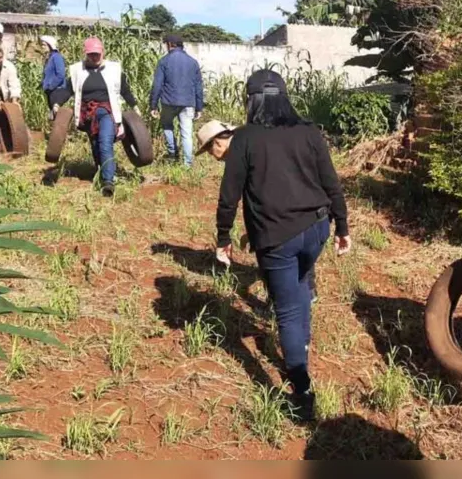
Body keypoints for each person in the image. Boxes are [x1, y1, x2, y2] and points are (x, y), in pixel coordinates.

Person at [215, 70, 351, 420]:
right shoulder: (309, 132)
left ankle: (302, 392)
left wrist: (223, 237)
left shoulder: (245, 139)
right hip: (317, 228)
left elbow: (229, 195)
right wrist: (342, 226)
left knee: (288, 309)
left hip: (277, 237)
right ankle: (300, 349)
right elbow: (331, 182)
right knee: (302, 286)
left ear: (252, 100)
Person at [199, 119, 321, 303]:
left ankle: (280, 303)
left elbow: (228, 200)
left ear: (217, 142)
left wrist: (224, 236)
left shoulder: (238, 155)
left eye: (210, 151)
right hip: (308, 210)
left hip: (284, 218)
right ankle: (306, 293)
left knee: (272, 258)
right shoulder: (257, 142)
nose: (213, 157)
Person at [65, 37, 139, 197]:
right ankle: (100, 169)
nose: (94, 57)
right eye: (91, 54)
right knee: (95, 144)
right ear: (85, 54)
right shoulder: (78, 70)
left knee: (105, 141)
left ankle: (108, 181)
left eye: (97, 54)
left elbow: (124, 90)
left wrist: (135, 106)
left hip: (107, 111)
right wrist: (56, 104)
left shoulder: (114, 69)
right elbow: (67, 90)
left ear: (103, 52)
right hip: (87, 113)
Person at [150, 34, 204, 167]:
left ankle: (173, 154)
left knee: (167, 125)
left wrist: (153, 105)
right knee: (186, 133)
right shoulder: (193, 62)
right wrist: (199, 107)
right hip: (188, 102)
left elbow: (157, 85)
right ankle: (187, 164)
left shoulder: (164, 61)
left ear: (169, 44)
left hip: (169, 101)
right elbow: (198, 86)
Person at [40, 36, 69, 121]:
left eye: (44, 45)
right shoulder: (49, 58)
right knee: (53, 117)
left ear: (50, 45)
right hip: (50, 91)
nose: (42, 47)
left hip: (57, 91)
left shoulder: (56, 57)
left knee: (56, 114)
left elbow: (61, 74)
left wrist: (50, 86)